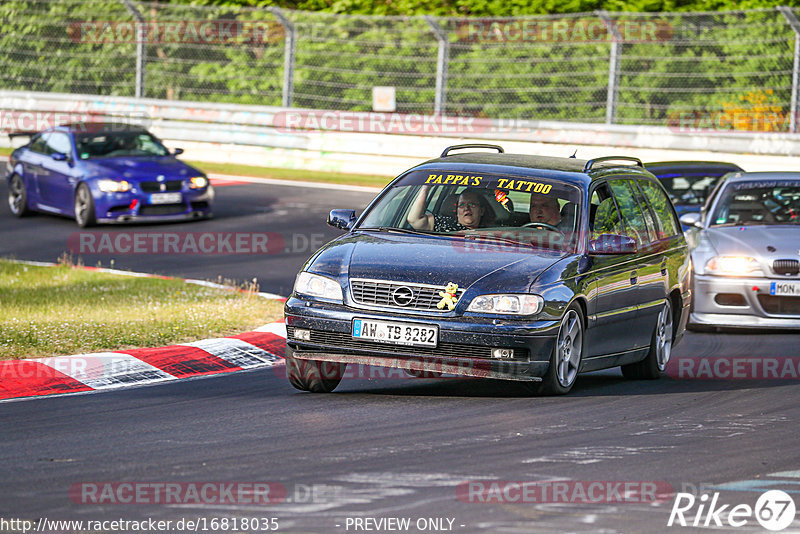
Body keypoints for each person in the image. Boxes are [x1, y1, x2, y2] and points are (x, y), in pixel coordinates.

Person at [408, 185, 485, 232]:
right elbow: (414, 220)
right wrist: (426, 188)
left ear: (481, 211)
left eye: (472, 204)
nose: (466, 208)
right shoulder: (444, 224)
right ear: (457, 211)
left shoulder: (492, 232)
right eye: (462, 205)